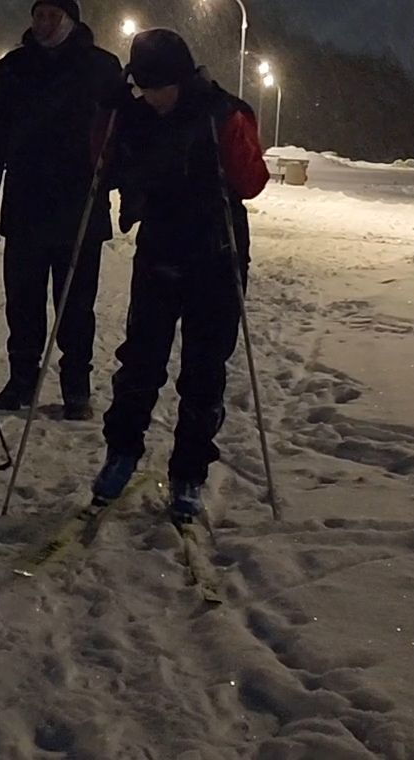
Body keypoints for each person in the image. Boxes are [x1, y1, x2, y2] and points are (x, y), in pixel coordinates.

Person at [93, 29, 269, 519]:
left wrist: (230, 134)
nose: (149, 97)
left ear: (180, 79)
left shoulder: (223, 112)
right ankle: (122, 452)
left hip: (216, 254)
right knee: (140, 363)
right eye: (142, 88)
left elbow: (252, 182)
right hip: (160, 252)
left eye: (156, 88)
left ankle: (189, 470)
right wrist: (107, 116)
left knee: (203, 371)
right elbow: (102, 166)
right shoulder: (135, 115)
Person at [0, 0, 126, 420]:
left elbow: (122, 134)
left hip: (79, 206)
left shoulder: (101, 68)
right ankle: (21, 380)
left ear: (71, 19)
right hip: (25, 203)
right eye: (38, 15)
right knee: (22, 301)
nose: (43, 23)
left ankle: (76, 387)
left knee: (75, 305)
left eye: (52, 16)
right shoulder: (14, 67)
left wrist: (117, 183)